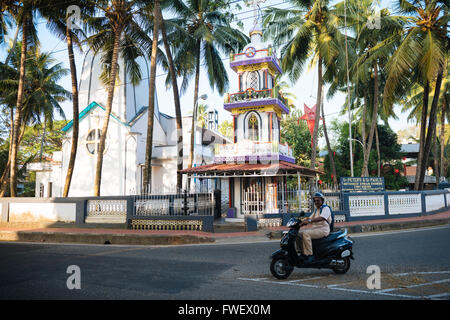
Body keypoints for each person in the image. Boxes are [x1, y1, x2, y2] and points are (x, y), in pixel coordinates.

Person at [296, 192, 332, 264]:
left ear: (322, 201)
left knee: (306, 234)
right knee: (298, 233)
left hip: (323, 229)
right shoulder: (316, 210)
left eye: (318, 200)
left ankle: (309, 255)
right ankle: (301, 251)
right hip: (316, 229)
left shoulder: (325, 208)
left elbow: (322, 218)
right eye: (315, 201)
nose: (316, 202)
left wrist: (309, 220)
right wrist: (299, 223)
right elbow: (309, 218)